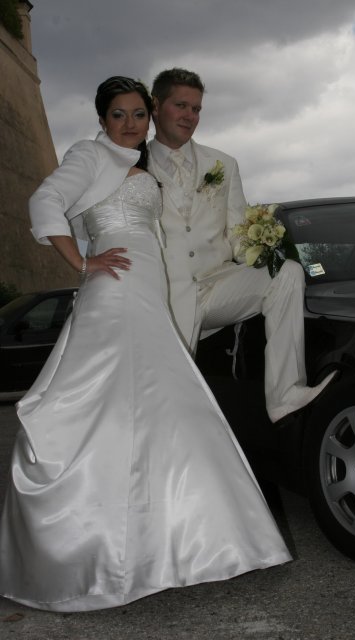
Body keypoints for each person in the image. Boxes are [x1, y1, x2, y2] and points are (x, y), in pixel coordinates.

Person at [0, 77, 291, 612]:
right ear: (102, 119)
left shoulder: (136, 164)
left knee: (161, 406)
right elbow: (45, 200)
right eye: (119, 114)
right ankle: (101, 551)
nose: (130, 124)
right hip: (115, 291)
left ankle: (173, 543)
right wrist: (81, 262)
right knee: (104, 406)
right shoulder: (90, 155)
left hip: (147, 292)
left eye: (138, 114)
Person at [147, 68, 335, 424]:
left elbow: (236, 234)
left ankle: (285, 395)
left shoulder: (224, 164)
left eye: (196, 109)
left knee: (287, 273)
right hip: (164, 294)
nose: (190, 116)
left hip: (216, 286)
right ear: (156, 106)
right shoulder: (132, 164)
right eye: (181, 106)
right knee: (168, 403)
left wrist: (262, 247)